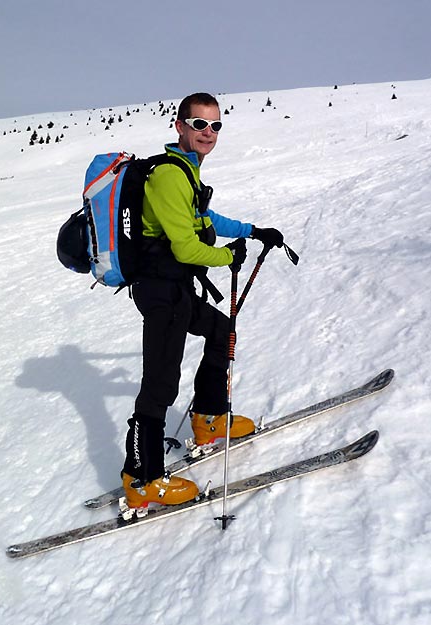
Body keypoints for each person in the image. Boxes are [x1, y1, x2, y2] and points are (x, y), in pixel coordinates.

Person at [121, 92, 285, 509]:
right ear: (180, 126)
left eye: (215, 125)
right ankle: (141, 478)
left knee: (219, 328)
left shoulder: (186, 171)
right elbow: (186, 247)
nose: (208, 133)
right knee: (159, 385)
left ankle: (209, 420)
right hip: (160, 291)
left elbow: (205, 219)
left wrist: (251, 230)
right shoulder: (171, 175)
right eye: (199, 124)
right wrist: (226, 256)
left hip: (175, 288)